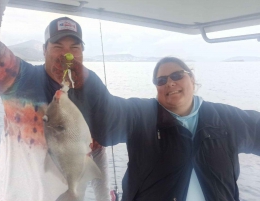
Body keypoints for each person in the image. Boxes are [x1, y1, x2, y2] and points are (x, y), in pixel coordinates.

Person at [0, 0, 111, 200]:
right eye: (57, 46)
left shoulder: (92, 90)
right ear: (44, 50)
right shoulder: (20, 79)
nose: (66, 54)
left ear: (82, 52)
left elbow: (97, 152)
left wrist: (103, 197)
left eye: (74, 47)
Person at [71, 56, 260, 201]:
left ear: (192, 79)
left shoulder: (225, 118)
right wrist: (88, 84)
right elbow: (110, 117)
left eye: (177, 75)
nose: (170, 82)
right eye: (161, 80)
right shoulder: (142, 114)